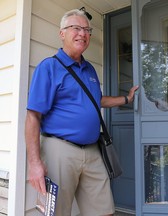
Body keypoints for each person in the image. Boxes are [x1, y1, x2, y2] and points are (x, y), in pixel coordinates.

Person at [25, 9, 138, 216]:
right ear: (62, 33)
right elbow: (33, 116)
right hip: (59, 149)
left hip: (93, 151)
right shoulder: (49, 67)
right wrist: (34, 164)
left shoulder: (90, 69)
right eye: (76, 28)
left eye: (86, 30)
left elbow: (97, 100)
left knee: (104, 211)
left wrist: (126, 99)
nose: (83, 34)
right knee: (57, 212)